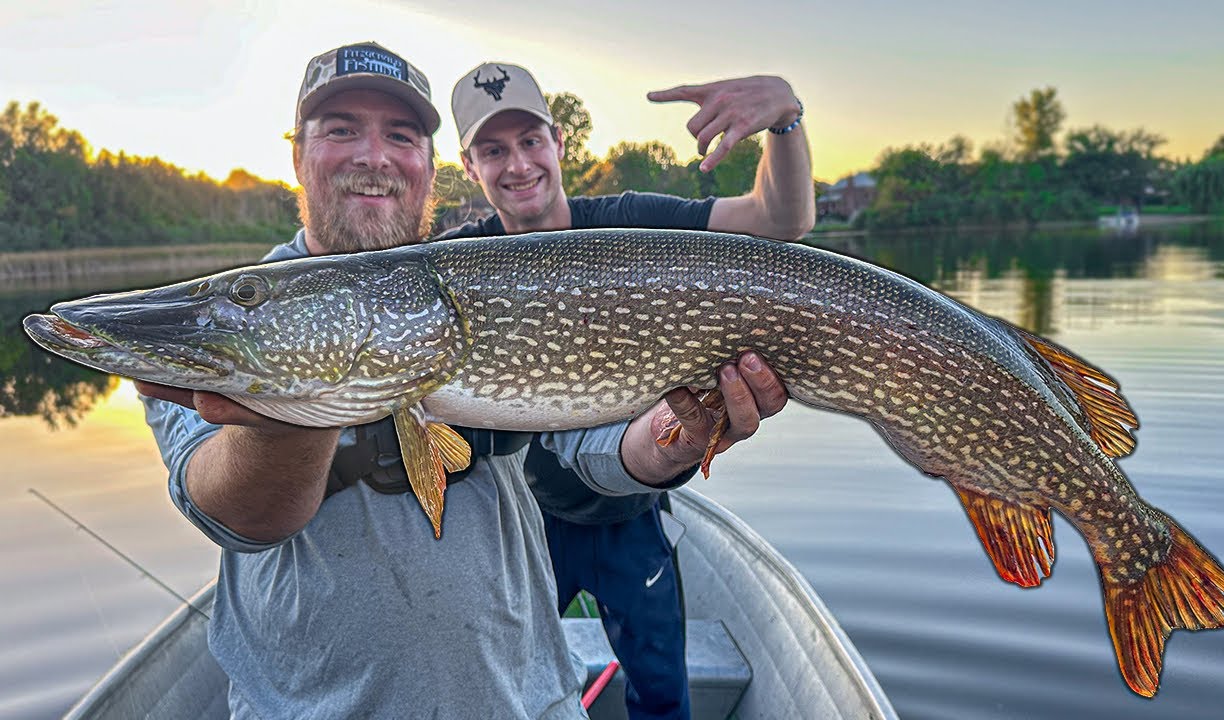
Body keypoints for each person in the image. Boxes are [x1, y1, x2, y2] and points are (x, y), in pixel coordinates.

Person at [136, 41, 788, 720]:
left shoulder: (482, 283)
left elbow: (588, 448)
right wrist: (296, 404)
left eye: (401, 135)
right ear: (296, 154)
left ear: (428, 168)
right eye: (341, 129)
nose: (373, 155)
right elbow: (236, 513)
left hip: (527, 702)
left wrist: (670, 441)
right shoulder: (239, 316)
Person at [439, 62, 814, 720]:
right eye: (493, 150)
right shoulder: (460, 262)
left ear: (559, 143)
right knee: (500, 691)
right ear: (470, 166)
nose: (517, 164)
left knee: (662, 696)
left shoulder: (631, 224)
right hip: (523, 525)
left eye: (529, 141)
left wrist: (785, 120)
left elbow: (778, 221)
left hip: (632, 513)